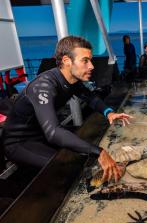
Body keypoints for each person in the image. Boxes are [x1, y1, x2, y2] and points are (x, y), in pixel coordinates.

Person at [2, 36, 132, 182]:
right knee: (68, 167)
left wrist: (109, 113)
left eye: (90, 60)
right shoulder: (44, 86)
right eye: (85, 61)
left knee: (89, 142)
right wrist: (99, 152)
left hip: (41, 135)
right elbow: (53, 132)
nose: (91, 66)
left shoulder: (72, 80)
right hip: (19, 142)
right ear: (66, 61)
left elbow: (91, 98)